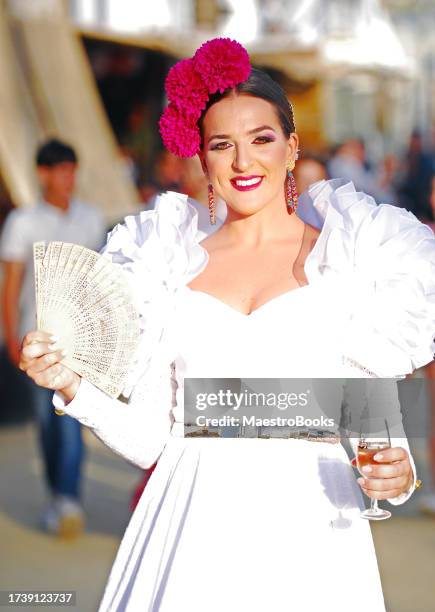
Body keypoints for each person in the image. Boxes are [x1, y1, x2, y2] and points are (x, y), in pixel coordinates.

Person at [18, 40, 435, 611]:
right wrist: (70, 384)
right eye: (222, 145)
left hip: (315, 537)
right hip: (191, 530)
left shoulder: (353, 258)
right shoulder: (162, 267)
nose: (243, 162)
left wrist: (397, 470)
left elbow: (373, 427)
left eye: (261, 139)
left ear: (290, 148)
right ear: (203, 159)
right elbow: (148, 441)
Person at [0, 138, 105, 538]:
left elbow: (98, 280)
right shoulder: (22, 223)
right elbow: (11, 285)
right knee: (45, 423)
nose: (67, 179)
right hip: (35, 340)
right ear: (43, 173)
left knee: (71, 421)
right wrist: (10, 336)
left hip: (79, 342)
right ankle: (57, 495)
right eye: (60, 170)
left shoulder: (91, 219)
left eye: (72, 170)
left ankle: (69, 499)